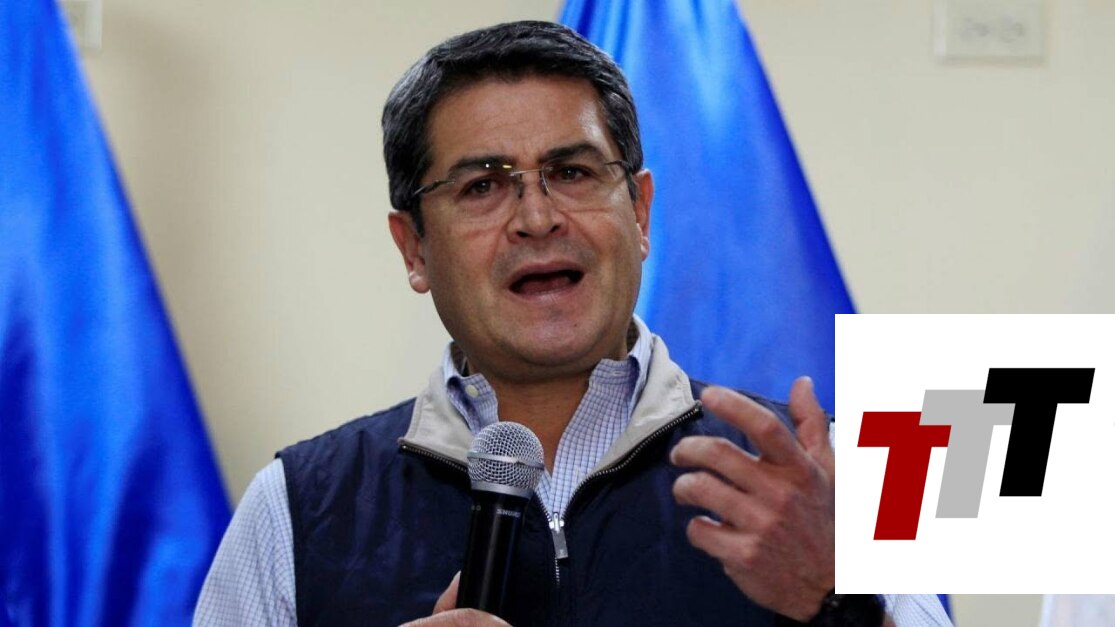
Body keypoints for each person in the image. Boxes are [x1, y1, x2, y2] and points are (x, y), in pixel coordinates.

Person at [194, 20, 952, 626]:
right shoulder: (295, 508)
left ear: (641, 214)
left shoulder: (824, 481)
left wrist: (837, 602)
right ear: (414, 248)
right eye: (483, 186)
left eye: (572, 172)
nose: (537, 217)